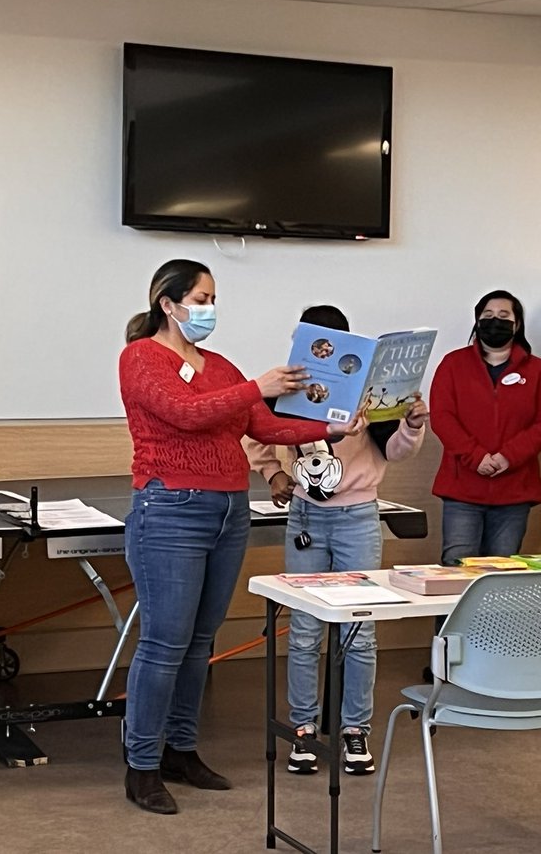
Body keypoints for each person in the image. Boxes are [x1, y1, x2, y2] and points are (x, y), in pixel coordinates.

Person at [119, 261, 365, 815]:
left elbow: (266, 426)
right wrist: (259, 385)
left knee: (201, 641)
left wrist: (331, 427)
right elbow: (184, 413)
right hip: (170, 511)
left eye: (212, 298)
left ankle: (180, 750)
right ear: (169, 303)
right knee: (164, 643)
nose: (210, 309)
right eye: (201, 298)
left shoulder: (220, 364)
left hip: (229, 511)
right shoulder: (140, 358)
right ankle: (141, 764)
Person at [246, 304, 427, 777]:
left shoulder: (368, 389)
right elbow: (255, 432)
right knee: (304, 629)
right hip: (306, 515)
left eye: (332, 342)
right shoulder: (288, 384)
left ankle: (354, 730)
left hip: (357, 517)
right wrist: (271, 474)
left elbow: (397, 450)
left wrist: (411, 422)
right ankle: (303, 730)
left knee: (358, 629)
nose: (324, 350)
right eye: (315, 341)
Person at [429, 290, 541, 565]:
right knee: (456, 566)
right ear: (477, 321)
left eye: (503, 316)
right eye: (487, 316)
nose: (495, 321)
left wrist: (507, 457)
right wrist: (476, 457)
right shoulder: (453, 364)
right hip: (462, 489)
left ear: (517, 324)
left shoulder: (537, 371)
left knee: (501, 572)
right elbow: (442, 418)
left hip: (514, 491)